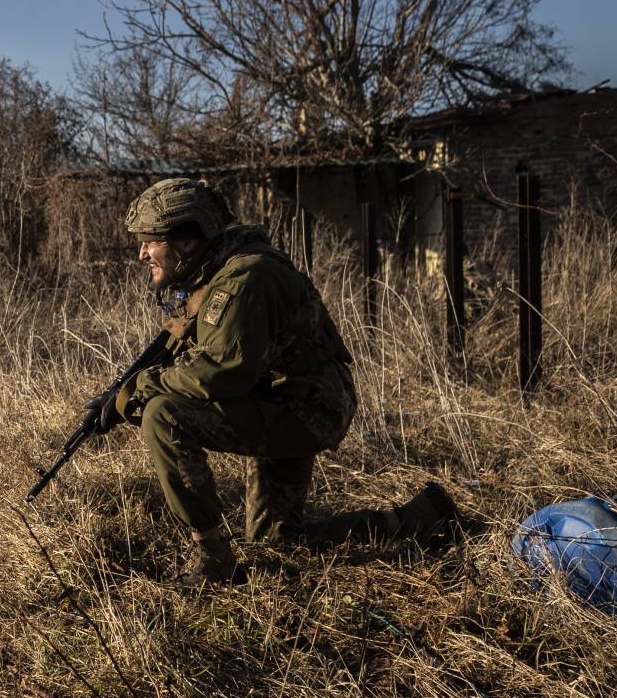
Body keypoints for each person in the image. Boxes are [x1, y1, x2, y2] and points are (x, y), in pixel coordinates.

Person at [97, 177, 456, 583]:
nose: (142, 252)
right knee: (277, 541)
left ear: (188, 239)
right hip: (283, 398)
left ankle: (213, 559)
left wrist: (138, 390)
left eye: (150, 240)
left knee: (163, 414)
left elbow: (220, 372)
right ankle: (416, 519)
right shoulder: (213, 274)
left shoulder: (244, 277)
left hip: (306, 408)